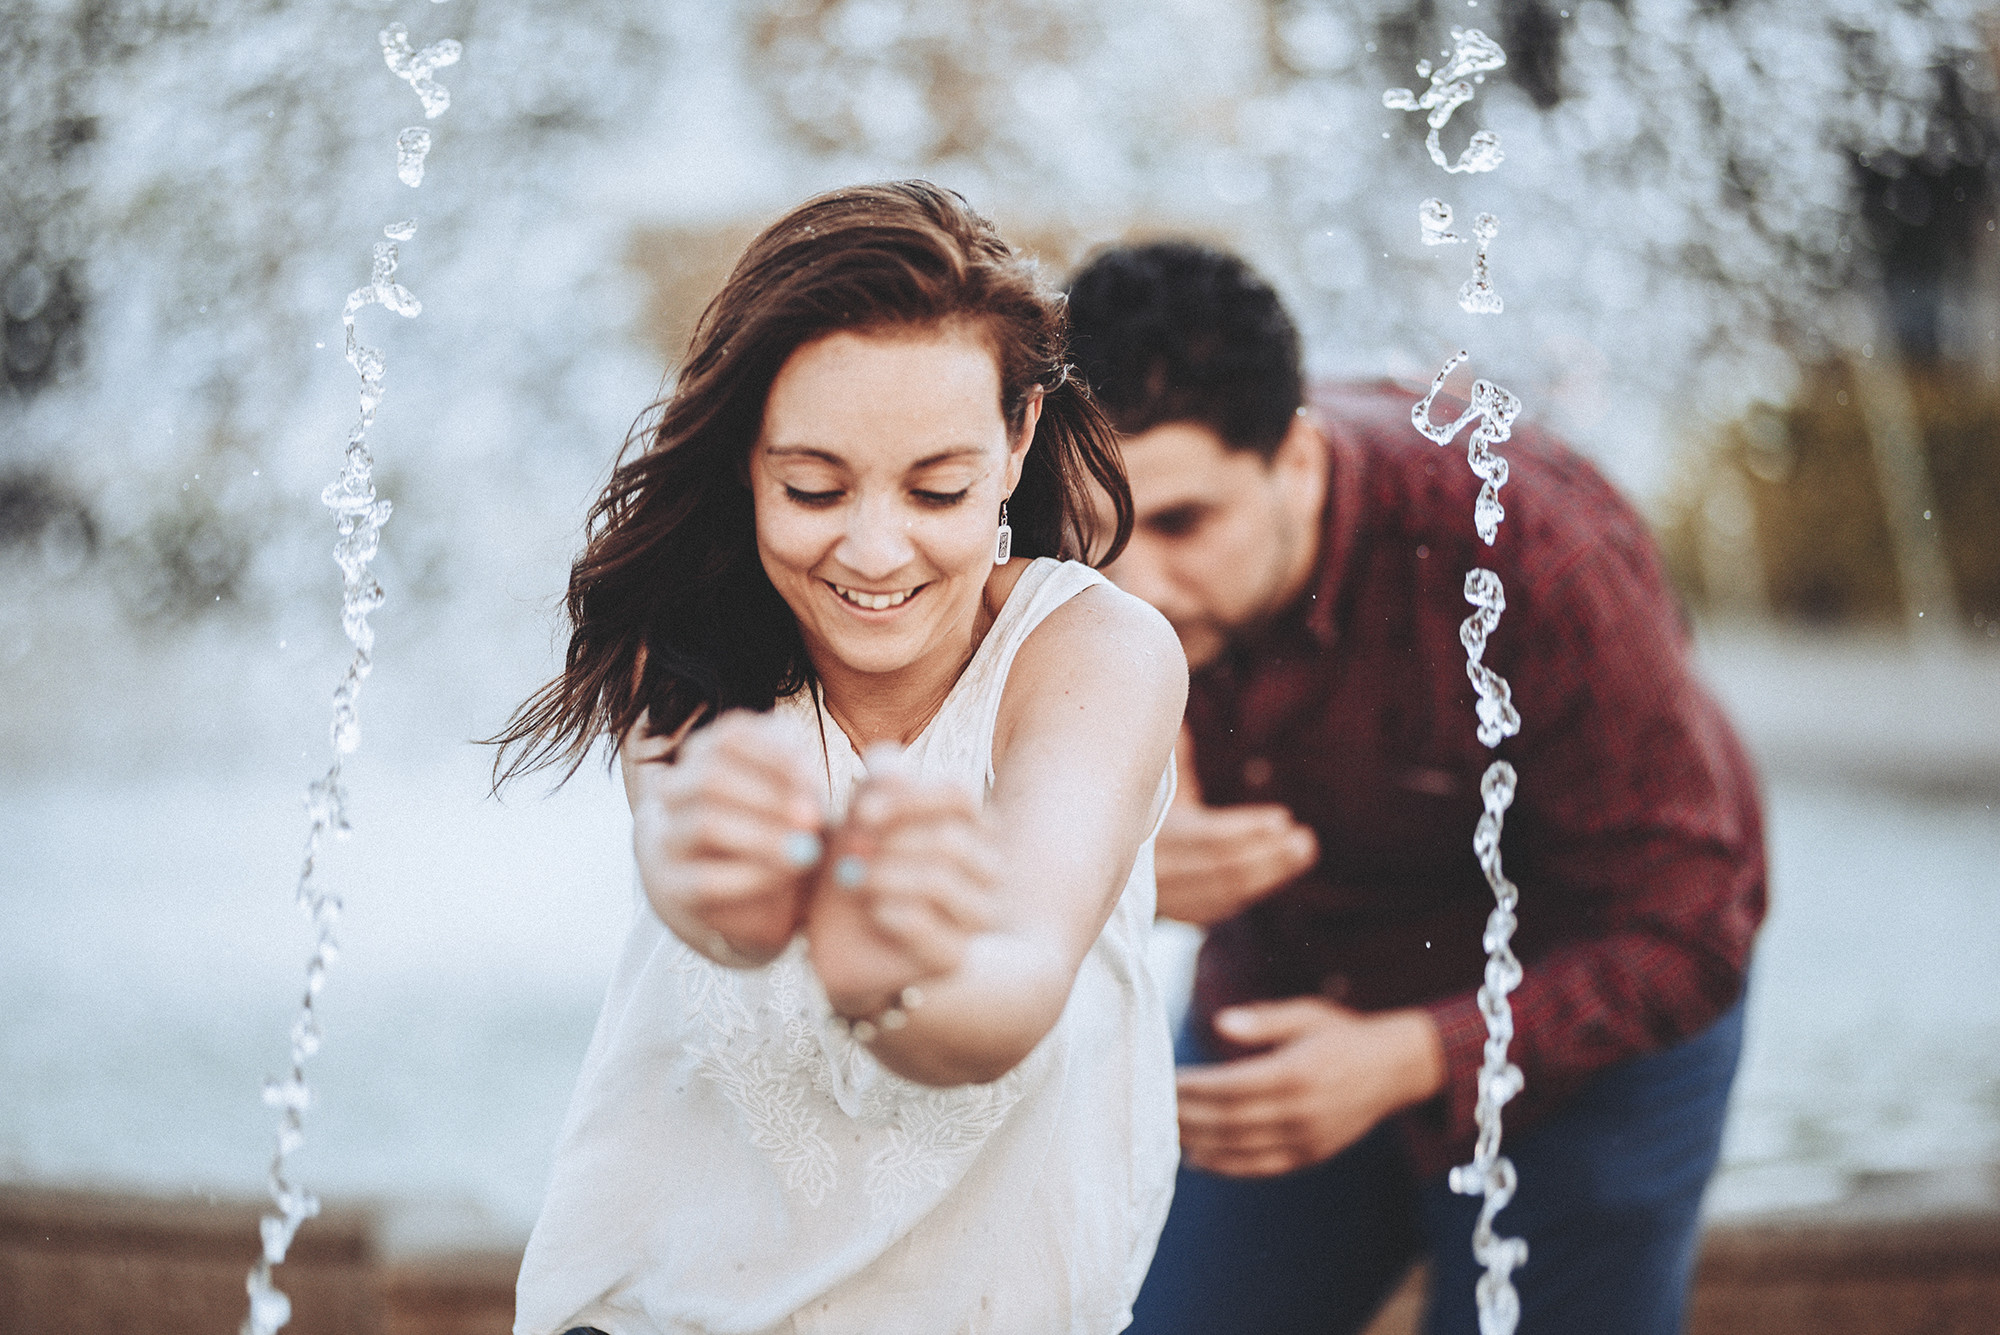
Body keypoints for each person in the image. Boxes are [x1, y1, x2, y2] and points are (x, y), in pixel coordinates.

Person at [493, 182, 1187, 1335]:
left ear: (1017, 435)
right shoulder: (689, 646)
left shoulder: (1092, 654)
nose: (873, 549)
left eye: (935, 489)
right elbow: (703, 894)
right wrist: (724, 888)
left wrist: (883, 985)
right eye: (812, 488)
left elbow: (1017, 975)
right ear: (745, 458)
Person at [1063, 240, 1766, 1335]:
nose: (1132, 586)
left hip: (1581, 1043)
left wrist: (1409, 1055)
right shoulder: (1065, 561)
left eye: (1182, 524)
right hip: (1292, 996)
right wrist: (1114, 858)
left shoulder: (1532, 555)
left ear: (1298, 462)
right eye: (1096, 532)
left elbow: (1692, 927)